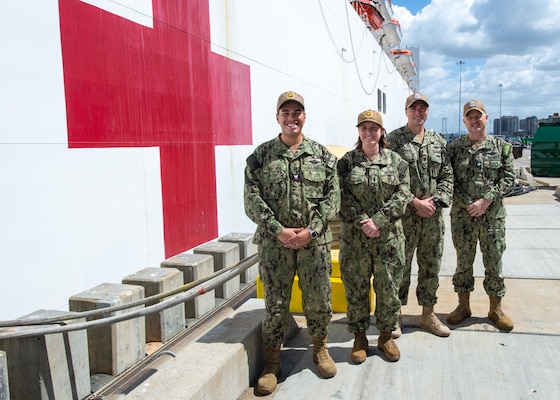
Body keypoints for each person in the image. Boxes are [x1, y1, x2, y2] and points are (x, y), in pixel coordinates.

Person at [244, 91, 340, 395]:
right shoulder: (261, 157)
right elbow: (251, 200)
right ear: (277, 118)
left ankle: (320, 348)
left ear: (304, 117)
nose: (291, 117)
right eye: (285, 112)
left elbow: (333, 197)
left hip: (314, 244)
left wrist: (310, 231)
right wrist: (279, 231)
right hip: (276, 246)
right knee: (275, 304)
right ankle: (272, 361)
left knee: (319, 300)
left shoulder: (322, 156)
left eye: (297, 112)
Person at [338, 109, 411, 363]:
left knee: (388, 289)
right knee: (356, 289)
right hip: (355, 241)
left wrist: (378, 221)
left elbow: (403, 195)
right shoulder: (346, 163)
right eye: (364, 128)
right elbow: (340, 197)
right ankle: (359, 338)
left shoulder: (397, 162)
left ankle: (385, 337)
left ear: (382, 132)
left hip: (388, 240)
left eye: (374, 128)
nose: (369, 133)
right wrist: (363, 222)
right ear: (359, 132)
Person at [385, 93, 453, 338]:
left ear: (427, 112)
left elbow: (447, 176)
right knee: (399, 267)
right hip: (404, 218)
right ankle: (395, 315)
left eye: (423, 108)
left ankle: (428, 314)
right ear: (406, 111)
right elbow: (389, 179)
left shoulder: (438, 141)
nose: (419, 112)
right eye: (414, 108)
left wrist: (434, 202)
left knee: (431, 266)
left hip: (432, 218)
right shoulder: (392, 141)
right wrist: (414, 201)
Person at [446, 99, 515, 332]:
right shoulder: (454, 149)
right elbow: (448, 180)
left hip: (492, 217)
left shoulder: (501, 147)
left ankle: (495, 309)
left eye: (479, 116)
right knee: (463, 263)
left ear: (486, 118)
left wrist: (486, 200)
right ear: (464, 121)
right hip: (463, 217)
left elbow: (509, 178)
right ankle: (463, 306)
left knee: (494, 263)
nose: (474, 120)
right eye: (470, 116)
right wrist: (468, 203)